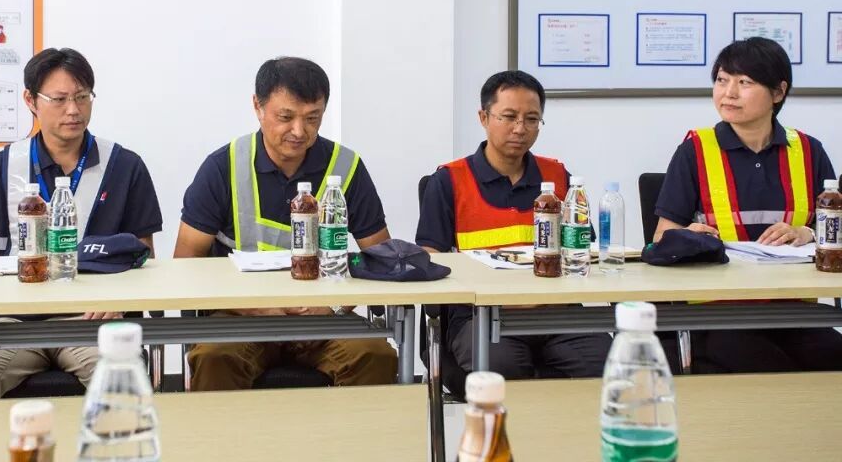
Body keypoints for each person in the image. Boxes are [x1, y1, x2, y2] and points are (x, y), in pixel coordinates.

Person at [0, 47, 163, 399]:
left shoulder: (124, 166)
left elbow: (145, 254)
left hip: (93, 319)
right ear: (31, 100)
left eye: (82, 97)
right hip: (10, 319)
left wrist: (121, 300)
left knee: (121, 384)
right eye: (59, 99)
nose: (73, 110)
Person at [175, 56, 398, 390]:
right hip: (242, 316)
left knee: (374, 354)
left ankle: (352, 428)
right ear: (258, 106)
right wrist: (253, 308)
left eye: (312, 118)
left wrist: (334, 305)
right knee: (214, 356)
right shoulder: (224, 167)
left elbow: (381, 258)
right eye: (286, 117)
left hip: (323, 316)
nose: (299, 131)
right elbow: (185, 264)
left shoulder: (345, 166)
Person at [654, 37, 842, 372]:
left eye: (745, 82)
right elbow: (660, 239)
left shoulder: (809, 150)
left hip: (792, 307)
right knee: (762, 363)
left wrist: (808, 233)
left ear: (778, 92)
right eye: (722, 80)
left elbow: (835, 231)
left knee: (830, 356)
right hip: (718, 310)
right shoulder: (695, 150)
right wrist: (689, 237)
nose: (728, 93)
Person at [416, 70, 610, 379]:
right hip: (481, 316)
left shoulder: (558, 178)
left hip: (557, 312)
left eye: (532, 119)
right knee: (503, 370)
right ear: (484, 117)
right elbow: (430, 257)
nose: (520, 128)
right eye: (509, 117)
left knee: (606, 364)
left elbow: (585, 248)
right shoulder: (449, 181)